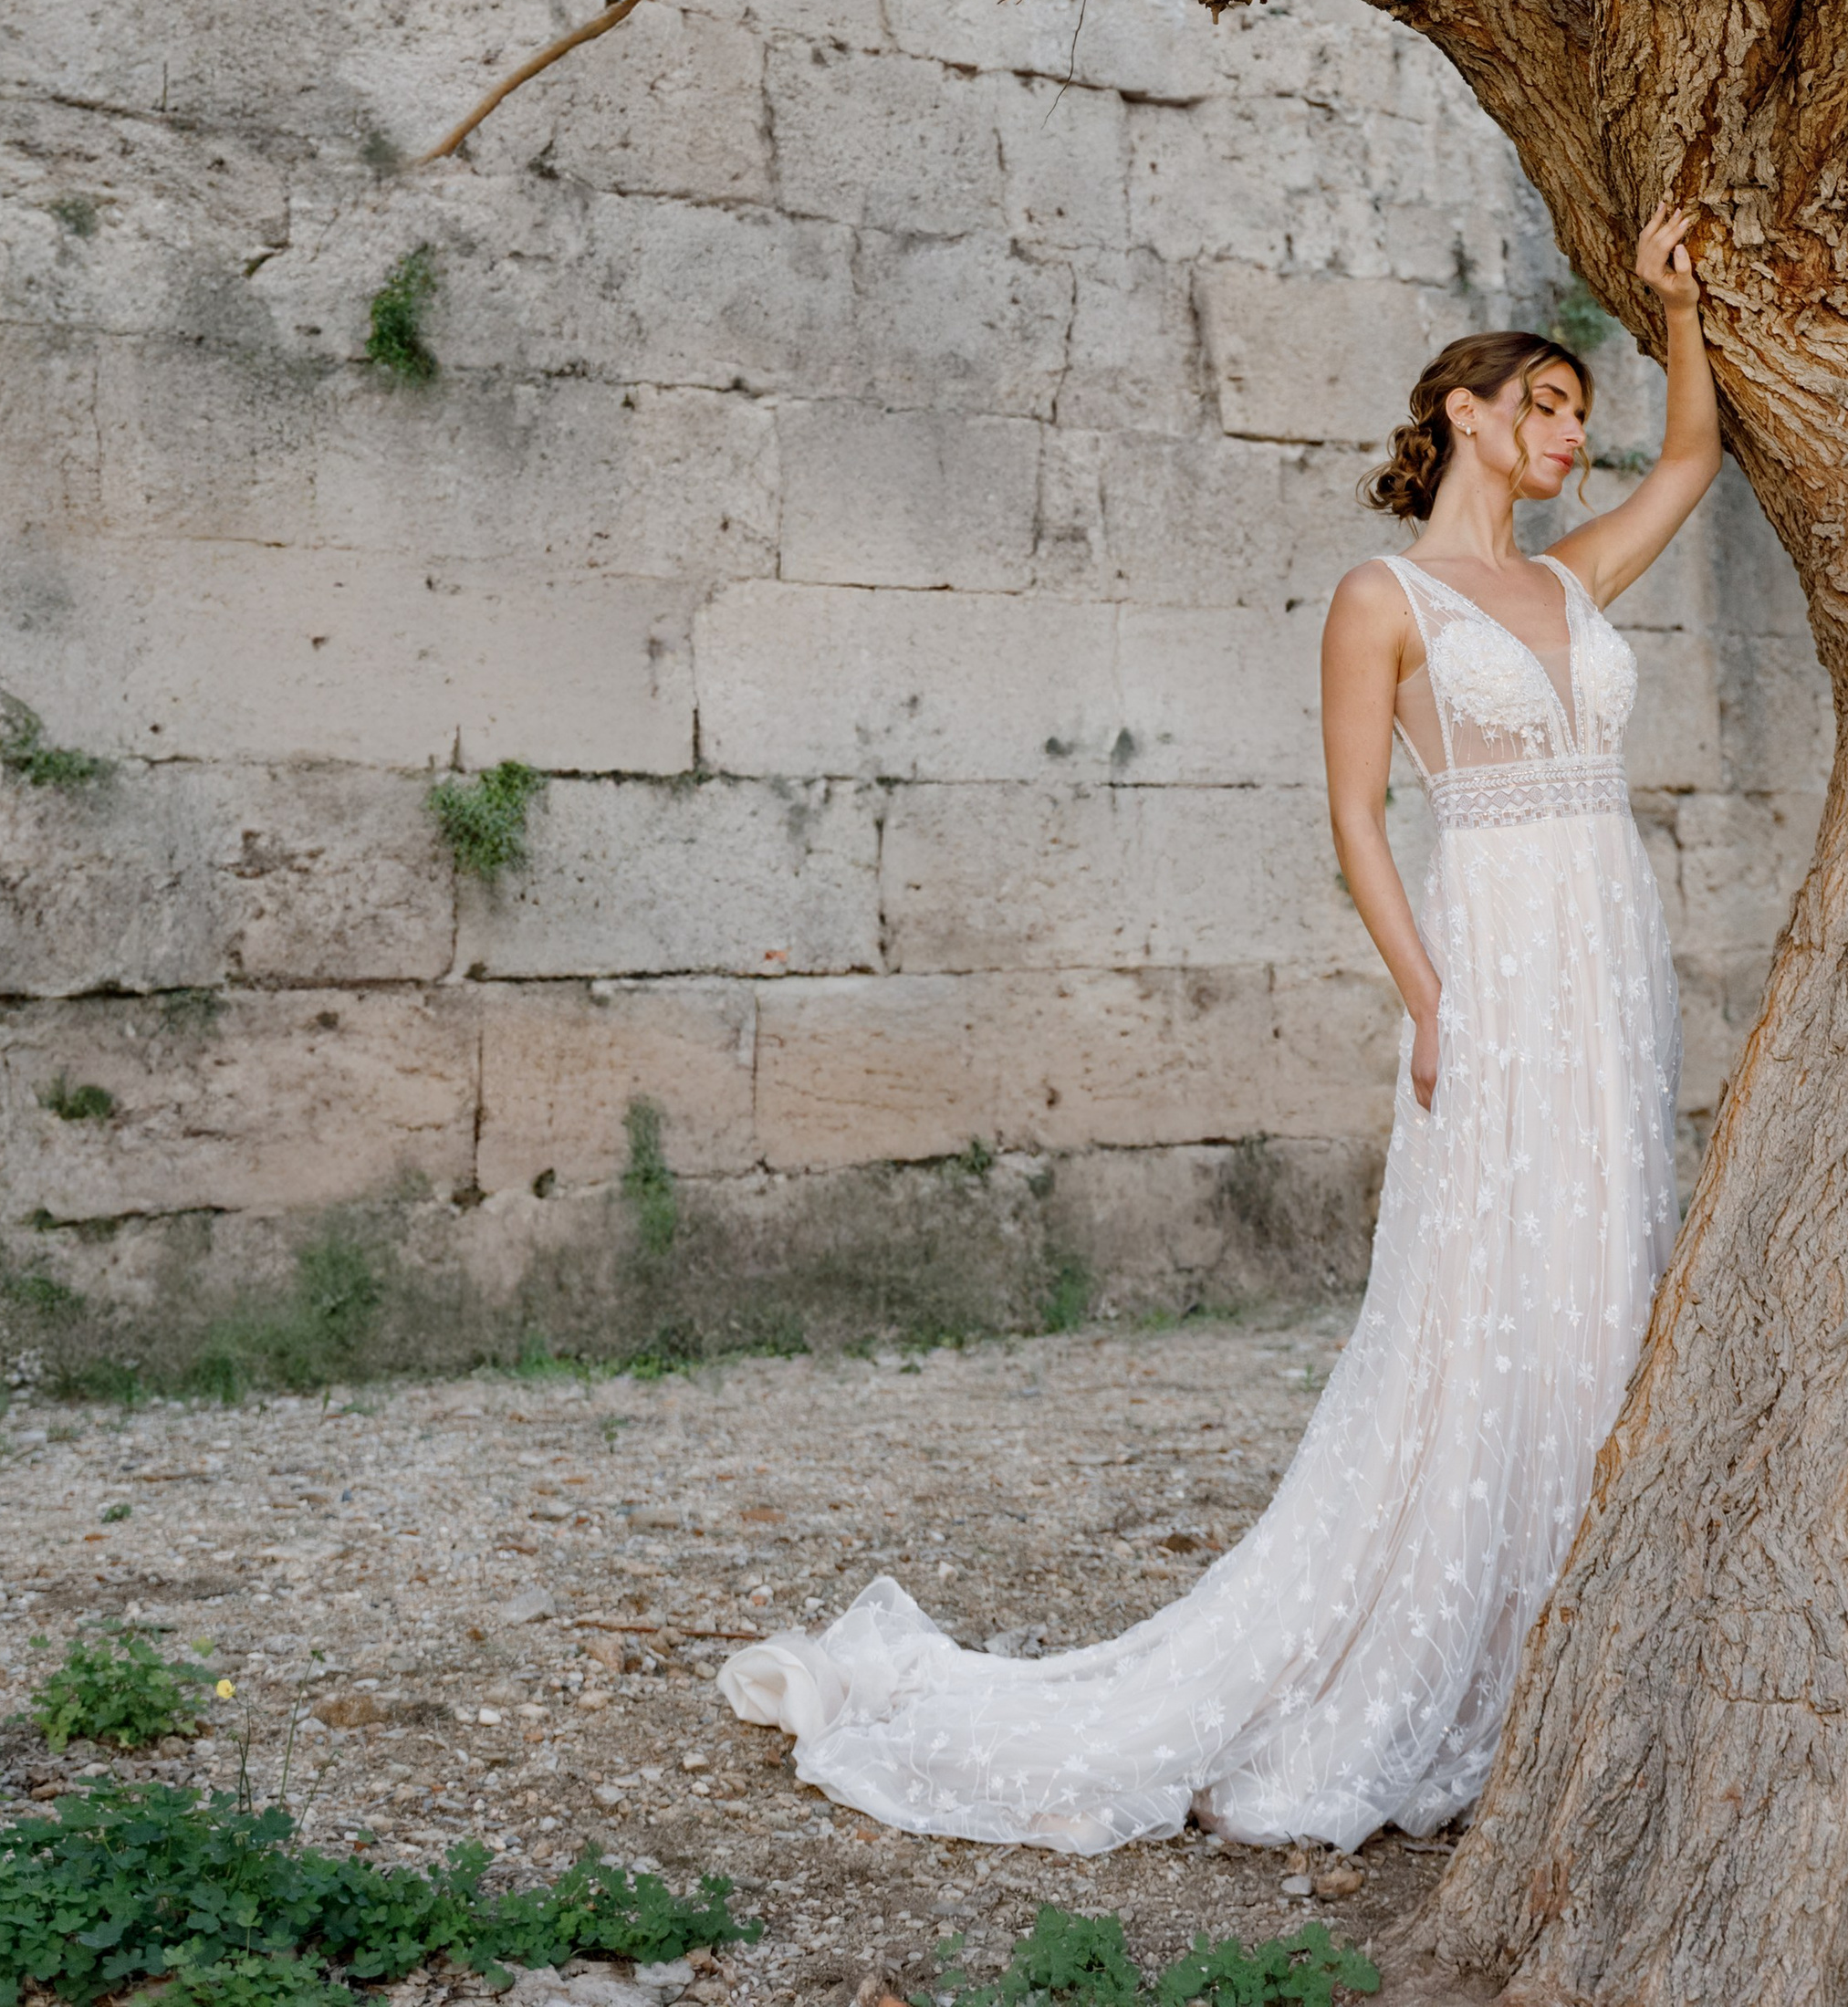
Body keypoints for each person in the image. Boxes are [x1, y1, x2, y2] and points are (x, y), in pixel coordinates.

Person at [717, 205, 1723, 1853]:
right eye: (1545, 405)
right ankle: (1447, 1637)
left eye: (1577, 421)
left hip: (1612, 960)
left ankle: (1581, 1630)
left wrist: (1678, 309)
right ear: (1465, 411)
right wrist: (1432, 1004)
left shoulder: (1569, 574)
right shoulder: (1379, 597)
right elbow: (1355, 824)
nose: (1567, 439)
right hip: (1492, 962)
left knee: (1604, 1268)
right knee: (1488, 1297)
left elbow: (1691, 460)